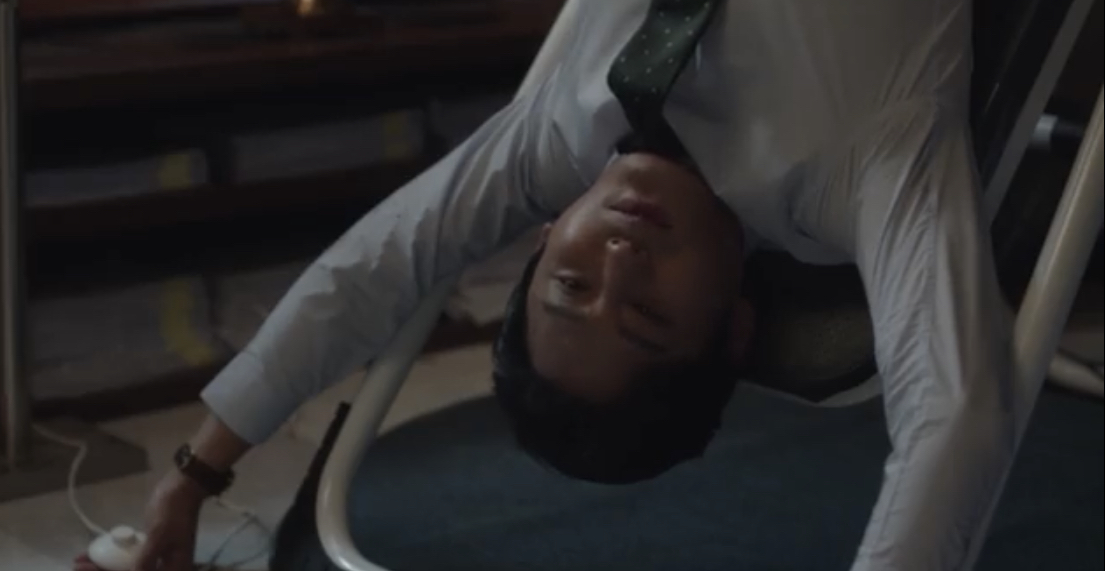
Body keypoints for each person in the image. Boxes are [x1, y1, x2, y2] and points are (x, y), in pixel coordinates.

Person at [76, 0, 1022, 569]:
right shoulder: (861, 173)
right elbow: (954, 413)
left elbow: (376, 263)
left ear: (542, 242)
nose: (619, 256)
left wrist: (192, 475)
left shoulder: (559, 142)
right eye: (644, 313)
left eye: (571, 281)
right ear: (733, 329)